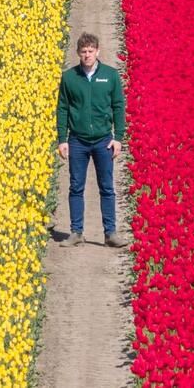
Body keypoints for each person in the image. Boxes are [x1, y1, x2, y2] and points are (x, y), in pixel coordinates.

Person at [56, 32, 128, 248]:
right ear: (78, 53)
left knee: (106, 187)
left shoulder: (110, 75)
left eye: (90, 51)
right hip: (77, 140)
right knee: (76, 187)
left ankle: (110, 233)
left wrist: (118, 138)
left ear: (97, 51)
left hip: (103, 140)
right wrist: (62, 139)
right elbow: (62, 108)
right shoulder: (69, 77)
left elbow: (118, 106)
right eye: (83, 51)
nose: (87, 55)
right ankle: (76, 232)